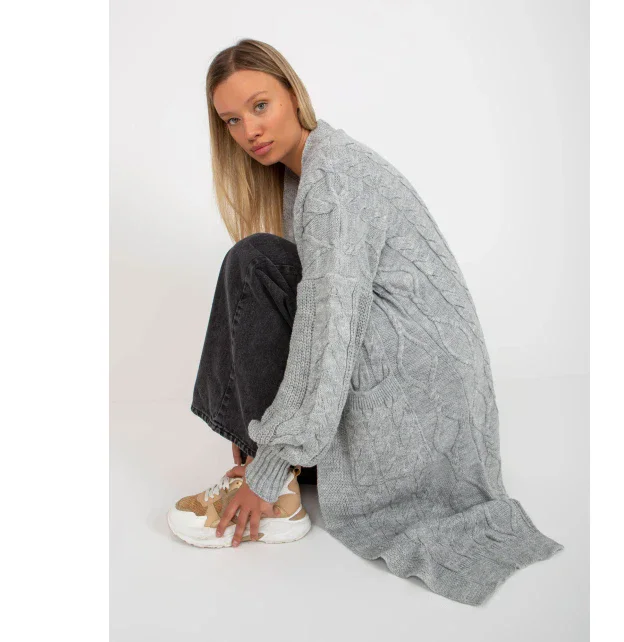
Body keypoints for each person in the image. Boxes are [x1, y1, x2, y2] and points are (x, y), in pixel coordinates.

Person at [167, 38, 564, 606]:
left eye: (260, 106)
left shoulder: (333, 177)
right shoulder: (302, 175)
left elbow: (329, 333)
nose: (249, 130)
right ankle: (271, 454)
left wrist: (268, 465)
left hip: (418, 392)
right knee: (262, 264)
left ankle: (276, 493)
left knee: (255, 263)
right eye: (232, 120)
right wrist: (256, 431)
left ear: (293, 95)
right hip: (408, 372)